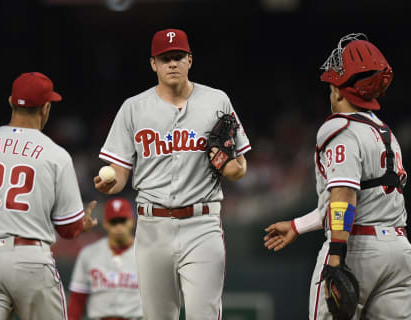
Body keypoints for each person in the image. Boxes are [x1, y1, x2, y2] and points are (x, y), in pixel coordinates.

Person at [94, 28, 251, 320]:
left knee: (203, 314)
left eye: (178, 57)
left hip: (202, 224)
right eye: (165, 58)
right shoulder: (133, 108)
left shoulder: (217, 101)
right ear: (153, 63)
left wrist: (233, 167)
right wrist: (110, 182)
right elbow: (119, 172)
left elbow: (239, 168)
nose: (172, 64)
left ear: (190, 59)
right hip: (152, 226)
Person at [263, 33, 411, 319]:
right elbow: (350, 201)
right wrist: (297, 225)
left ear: (341, 91)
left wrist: (336, 255)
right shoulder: (386, 134)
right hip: (399, 251)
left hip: (357, 249)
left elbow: (344, 196)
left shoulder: (340, 129)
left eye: (332, 85)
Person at [0, 72, 98, 320]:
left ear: (11, 101)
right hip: (29, 259)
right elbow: (68, 229)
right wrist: (83, 225)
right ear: (46, 108)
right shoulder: (55, 154)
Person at [68, 197, 143, 320]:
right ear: (105, 224)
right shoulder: (88, 253)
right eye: (114, 222)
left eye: (122, 221)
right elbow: (77, 299)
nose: (118, 227)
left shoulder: (145, 253)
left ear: (132, 221)